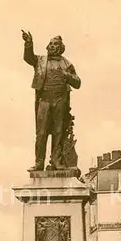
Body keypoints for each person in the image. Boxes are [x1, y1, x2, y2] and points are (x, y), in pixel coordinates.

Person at [22, 31, 81, 171]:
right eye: (51, 44)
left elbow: (78, 83)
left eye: (56, 44)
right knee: (41, 132)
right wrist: (28, 43)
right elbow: (28, 58)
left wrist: (67, 75)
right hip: (44, 99)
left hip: (60, 99)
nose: (53, 46)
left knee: (58, 131)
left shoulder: (67, 64)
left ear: (61, 47)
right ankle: (39, 163)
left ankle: (56, 161)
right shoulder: (41, 61)